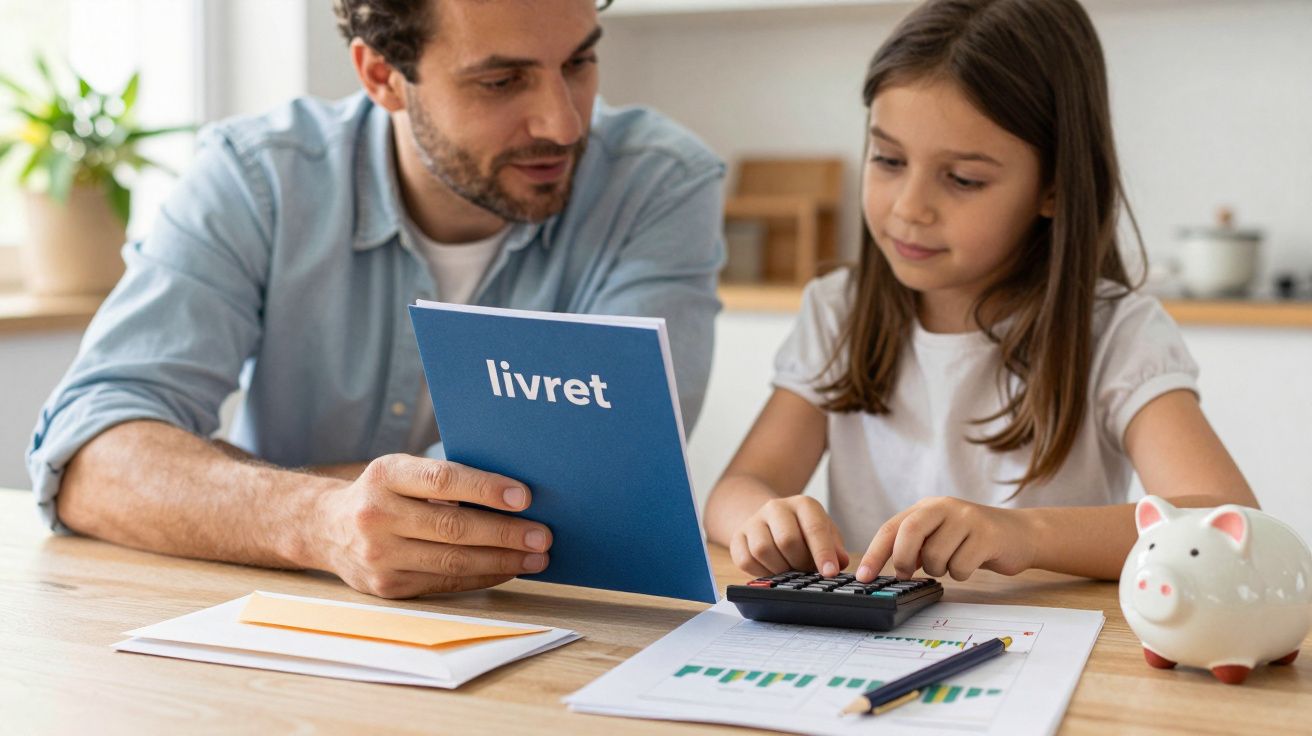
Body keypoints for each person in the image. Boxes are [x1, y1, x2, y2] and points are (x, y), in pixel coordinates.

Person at [27, 0, 725, 599]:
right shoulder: (256, 177)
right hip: (280, 623)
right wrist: (318, 520)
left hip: (542, 634)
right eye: (502, 80)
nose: (565, 124)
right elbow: (91, 457)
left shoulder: (660, 184)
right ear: (382, 76)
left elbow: (600, 479)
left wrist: (223, 487)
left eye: (578, 63)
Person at [704, 0, 1258, 585]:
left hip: (1051, 656)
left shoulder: (1118, 333)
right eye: (888, 159)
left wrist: (1025, 533)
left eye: (963, 179)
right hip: (872, 651)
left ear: (1054, 187)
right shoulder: (837, 310)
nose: (909, 207)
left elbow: (1225, 523)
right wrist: (764, 518)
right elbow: (734, 493)